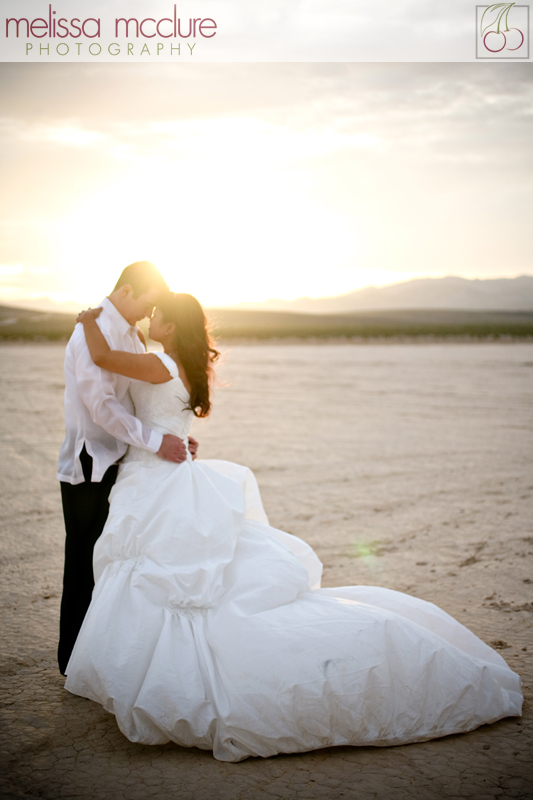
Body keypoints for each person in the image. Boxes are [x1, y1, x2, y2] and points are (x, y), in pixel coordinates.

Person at [64, 292, 522, 763]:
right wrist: (176, 437)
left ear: (173, 327)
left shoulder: (160, 363)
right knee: (167, 576)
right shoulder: (178, 366)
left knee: (168, 581)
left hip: (156, 480)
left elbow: (100, 356)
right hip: (159, 474)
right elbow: (167, 416)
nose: (151, 319)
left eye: (159, 315)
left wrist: (88, 318)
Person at [56, 261, 198, 676]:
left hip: (126, 459)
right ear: (128, 290)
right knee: (84, 560)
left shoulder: (132, 335)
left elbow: (143, 397)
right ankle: (72, 662)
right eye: (148, 304)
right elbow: (102, 407)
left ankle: (105, 655)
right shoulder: (89, 331)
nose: (148, 314)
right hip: (90, 460)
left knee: (113, 561)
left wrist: (169, 433)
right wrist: (157, 441)